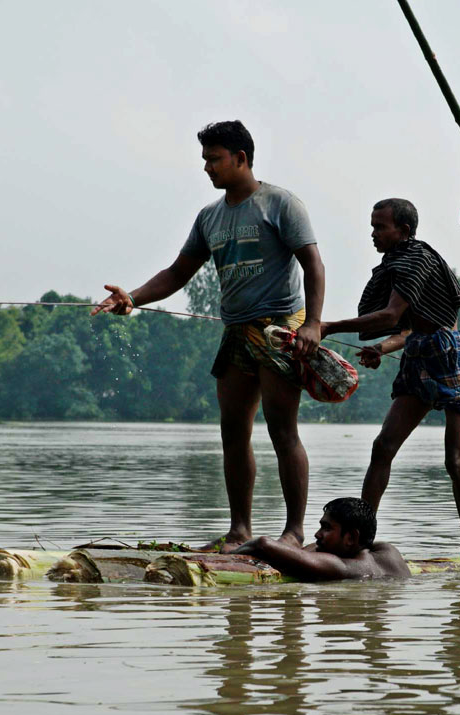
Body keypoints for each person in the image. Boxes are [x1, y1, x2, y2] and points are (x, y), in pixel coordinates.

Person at [94, 120, 325, 551]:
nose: (207, 168)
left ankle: (294, 533)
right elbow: (179, 272)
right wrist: (134, 298)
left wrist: (312, 323)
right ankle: (239, 530)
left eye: (214, 159)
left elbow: (313, 263)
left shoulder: (280, 204)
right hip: (236, 330)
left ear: (241, 158)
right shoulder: (210, 217)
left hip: (279, 329)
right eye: (205, 160)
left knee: (282, 431)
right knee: (232, 433)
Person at [319, 198, 460, 558]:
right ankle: (360, 539)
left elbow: (390, 314)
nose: (373, 234)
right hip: (418, 352)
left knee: (454, 458)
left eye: (380, 227)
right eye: (372, 226)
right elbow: (407, 327)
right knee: (383, 447)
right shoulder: (398, 263)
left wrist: (327, 326)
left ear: (403, 231)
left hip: (449, 356)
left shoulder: (416, 259)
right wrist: (382, 348)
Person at [232, 497, 411, 581]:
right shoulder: (388, 552)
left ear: (350, 537)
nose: (317, 534)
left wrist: (230, 554)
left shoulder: (340, 566)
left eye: (326, 528)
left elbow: (262, 543)